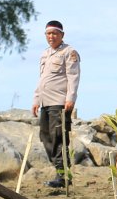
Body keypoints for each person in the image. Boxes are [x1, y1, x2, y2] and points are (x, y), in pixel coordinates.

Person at [31, 20, 80, 188]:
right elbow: (42, 78)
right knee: (45, 136)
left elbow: (73, 76)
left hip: (59, 102)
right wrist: (36, 100)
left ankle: (63, 176)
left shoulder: (69, 51)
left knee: (58, 138)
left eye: (55, 33)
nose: (51, 36)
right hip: (45, 102)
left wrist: (70, 99)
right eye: (48, 34)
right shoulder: (45, 54)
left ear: (62, 35)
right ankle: (60, 172)